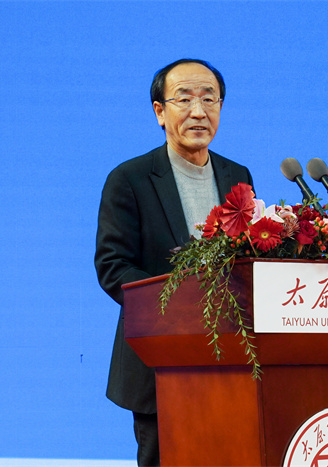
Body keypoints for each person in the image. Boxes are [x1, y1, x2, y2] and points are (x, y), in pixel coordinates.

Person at [94, 59, 253, 466]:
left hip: (230, 359)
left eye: (209, 99)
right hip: (160, 361)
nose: (198, 111)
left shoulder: (237, 175)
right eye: (184, 99)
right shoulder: (129, 179)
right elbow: (113, 266)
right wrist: (178, 307)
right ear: (159, 112)